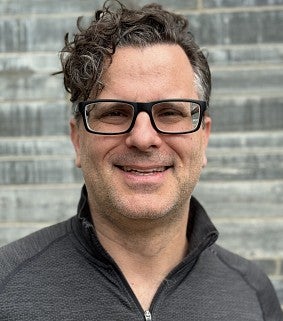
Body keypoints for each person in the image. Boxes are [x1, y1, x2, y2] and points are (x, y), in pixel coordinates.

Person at [0, 1, 282, 320]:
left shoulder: (252, 294)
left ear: (204, 138)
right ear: (77, 140)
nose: (143, 138)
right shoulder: (6, 288)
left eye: (170, 112)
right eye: (115, 113)